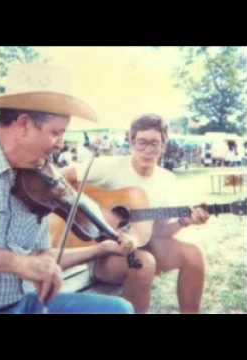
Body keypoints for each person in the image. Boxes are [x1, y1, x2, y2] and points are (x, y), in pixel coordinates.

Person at [0, 63, 134, 314]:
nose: (60, 144)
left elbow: (40, 255)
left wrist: (100, 248)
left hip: (26, 303)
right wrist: (18, 264)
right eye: (56, 133)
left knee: (119, 309)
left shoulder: (37, 182)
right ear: (24, 124)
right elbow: (25, 263)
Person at [62, 114, 210, 313]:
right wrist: (93, 214)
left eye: (154, 144)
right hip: (103, 253)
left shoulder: (167, 180)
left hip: (145, 246)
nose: (148, 150)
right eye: (142, 143)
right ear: (131, 142)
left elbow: (160, 233)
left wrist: (185, 221)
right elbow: (61, 178)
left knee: (193, 255)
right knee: (144, 263)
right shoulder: (110, 166)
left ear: (163, 146)